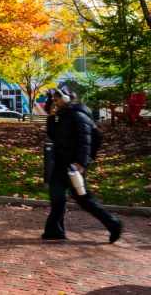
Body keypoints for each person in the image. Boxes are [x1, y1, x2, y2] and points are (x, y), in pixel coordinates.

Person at [42, 88, 123, 243]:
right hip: (61, 163)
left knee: (84, 199)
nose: (55, 103)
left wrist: (82, 163)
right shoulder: (63, 115)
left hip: (73, 165)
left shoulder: (78, 115)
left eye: (57, 100)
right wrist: (52, 118)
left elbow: (85, 140)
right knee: (56, 195)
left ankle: (114, 223)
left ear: (66, 98)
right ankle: (54, 229)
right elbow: (53, 136)